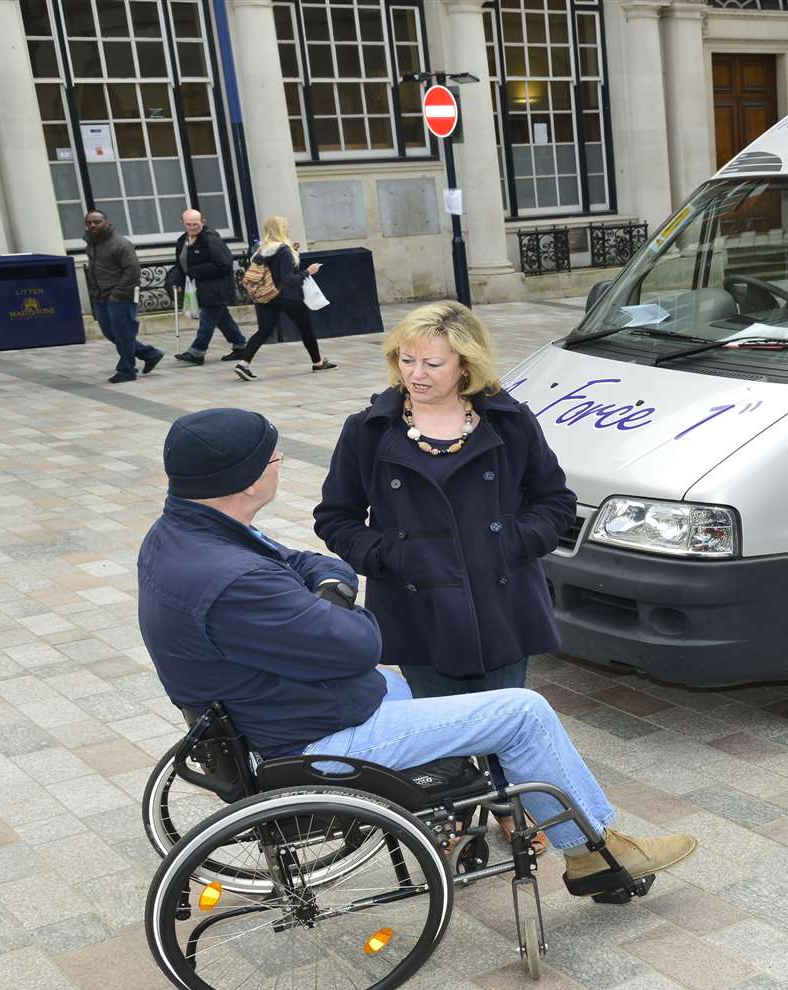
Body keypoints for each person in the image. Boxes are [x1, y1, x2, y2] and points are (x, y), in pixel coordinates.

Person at [135, 407, 697, 894]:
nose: (279, 465)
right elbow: (360, 644)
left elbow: (309, 563)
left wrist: (329, 589)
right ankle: (594, 855)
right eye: (275, 458)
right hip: (314, 737)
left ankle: (479, 816)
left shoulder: (189, 533)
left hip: (284, 709)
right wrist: (341, 604)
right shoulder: (235, 579)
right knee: (523, 711)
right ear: (249, 479)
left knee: (444, 697)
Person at [314, 301, 576, 697]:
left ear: (465, 365)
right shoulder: (367, 431)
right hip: (417, 607)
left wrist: (511, 541)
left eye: (433, 364)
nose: (416, 374)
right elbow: (336, 516)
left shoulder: (510, 421)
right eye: (407, 360)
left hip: (502, 604)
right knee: (443, 740)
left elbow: (555, 500)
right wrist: (389, 555)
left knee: (504, 732)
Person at [231, 214, 333, 382]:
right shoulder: (284, 250)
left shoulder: (261, 250)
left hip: (266, 295)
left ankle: (243, 364)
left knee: (263, 331)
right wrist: (309, 271)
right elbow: (288, 279)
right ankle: (318, 362)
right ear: (282, 229)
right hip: (287, 296)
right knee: (305, 328)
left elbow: (273, 270)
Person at [83, 209, 164, 384]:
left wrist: (117, 293)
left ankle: (127, 370)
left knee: (123, 333)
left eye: (97, 221)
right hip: (101, 296)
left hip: (120, 296)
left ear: (106, 222)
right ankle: (149, 353)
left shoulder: (120, 243)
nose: (93, 225)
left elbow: (133, 270)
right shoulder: (91, 243)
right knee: (110, 332)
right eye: (89, 222)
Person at [163, 208, 247, 366]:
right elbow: (181, 265)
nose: (192, 227)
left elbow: (224, 264)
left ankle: (197, 352)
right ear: (183, 223)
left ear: (203, 221)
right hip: (199, 287)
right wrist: (177, 281)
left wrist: (196, 271)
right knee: (223, 319)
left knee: (207, 320)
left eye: (195, 224)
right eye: (188, 224)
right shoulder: (182, 241)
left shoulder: (211, 239)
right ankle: (240, 346)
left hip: (216, 287)